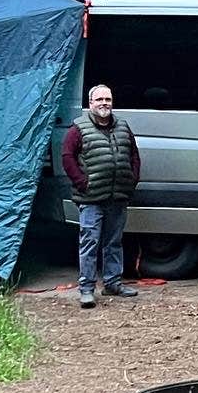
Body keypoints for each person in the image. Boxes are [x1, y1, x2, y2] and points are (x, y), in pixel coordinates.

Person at [61, 83, 141, 309]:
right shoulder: (78, 129)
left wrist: (132, 179)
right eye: (100, 100)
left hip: (118, 196)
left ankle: (113, 283)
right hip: (91, 198)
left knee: (114, 242)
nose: (104, 103)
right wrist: (82, 183)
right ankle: (86, 289)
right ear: (90, 104)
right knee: (89, 242)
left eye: (108, 99)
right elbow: (67, 157)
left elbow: (134, 154)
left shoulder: (123, 127)